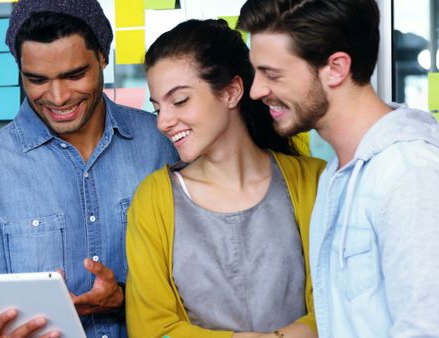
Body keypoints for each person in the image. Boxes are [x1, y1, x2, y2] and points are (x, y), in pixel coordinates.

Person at [0, 0, 177, 337]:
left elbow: (197, 281)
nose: (57, 97)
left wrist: (126, 297)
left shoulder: (161, 143)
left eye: (74, 75)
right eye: (37, 79)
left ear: (103, 56)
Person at [237, 1, 439, 337]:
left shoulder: (411, 174)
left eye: (272, 74)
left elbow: (435, 329)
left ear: (336, 68)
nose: (257, 90)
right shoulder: (338, 174)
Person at [125, 19, 325, 338]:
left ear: (231, 92)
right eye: (157, 107)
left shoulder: (313, 183)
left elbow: (340, 306)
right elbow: (151, 329)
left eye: (179, 101)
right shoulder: (153, 199)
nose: (163, 122)